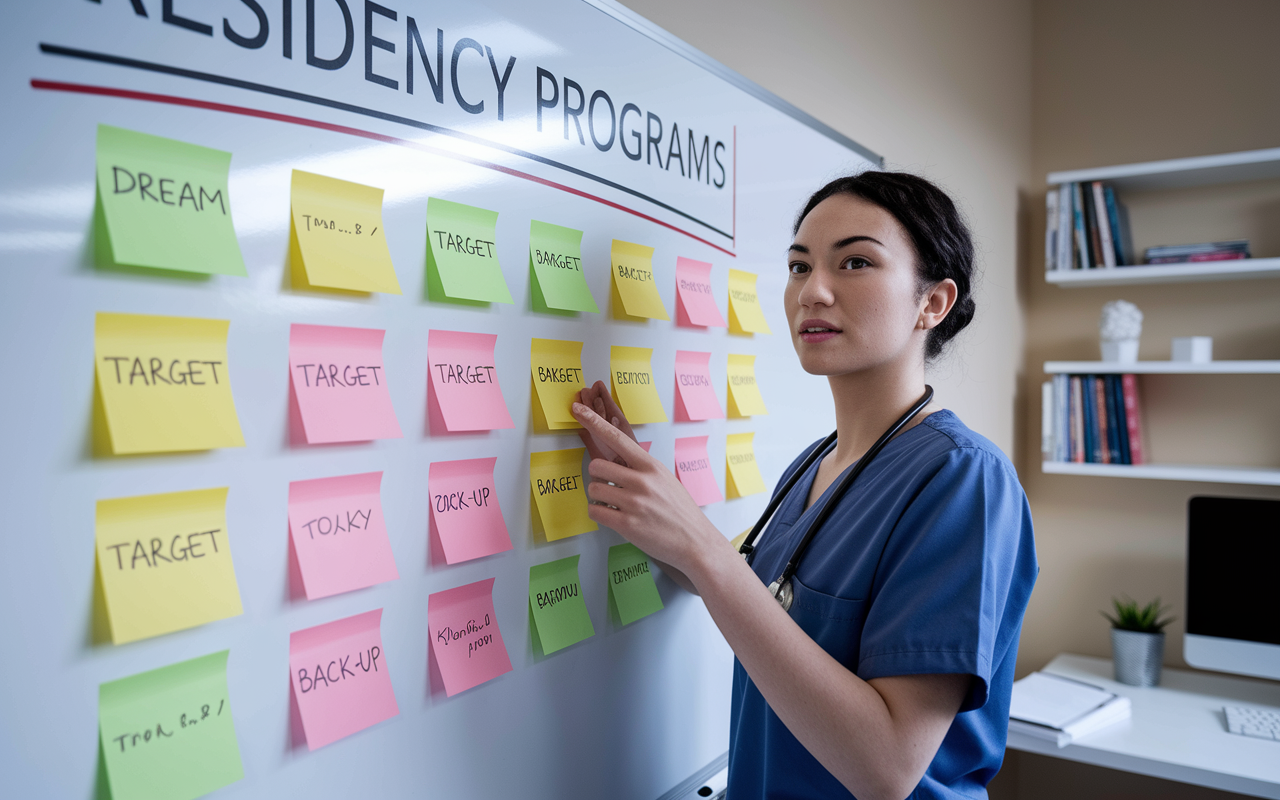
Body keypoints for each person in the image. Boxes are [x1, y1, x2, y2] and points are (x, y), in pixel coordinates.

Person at [571, 171, 1038, 800]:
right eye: (798, 266)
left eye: (854, 263)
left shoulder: (963, 479)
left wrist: (704, 551)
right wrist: (646, 494)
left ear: (933, 303)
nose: (812, 291)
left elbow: (888, 767)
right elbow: (764, 597)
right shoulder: (815, 464)